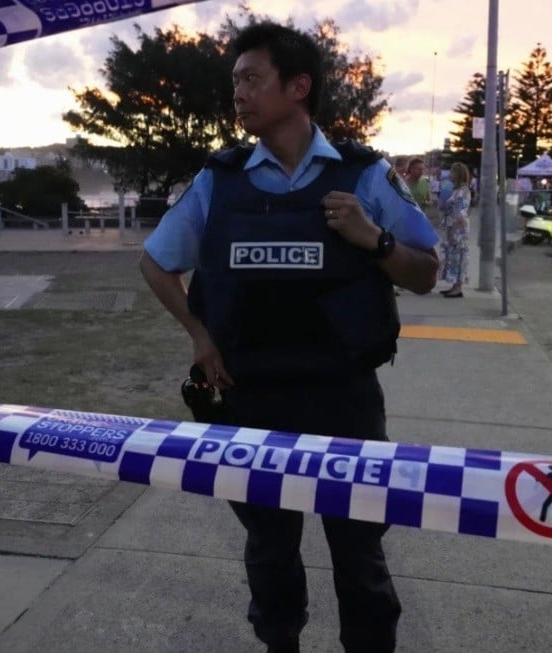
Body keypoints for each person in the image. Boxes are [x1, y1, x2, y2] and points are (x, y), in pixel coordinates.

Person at [138, 21, 439, 653]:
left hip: (343, 399)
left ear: (298, 87)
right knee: (270, 550)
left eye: (252, 78)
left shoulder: (364, 175)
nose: (238, 93)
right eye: (235, 81)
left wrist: (374, 239)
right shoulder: (219, 181)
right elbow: (156, 263)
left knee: (358, 552)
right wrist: (199, 335)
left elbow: (426, 273)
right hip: (251, 397)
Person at [438, 162, 472, 298]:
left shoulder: (462, 191)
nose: (450, 174)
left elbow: (459, 214)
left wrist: (452, 231)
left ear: (458, 174)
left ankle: (458, 288)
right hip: (454, 227)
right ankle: (454, 285)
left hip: (458, 229)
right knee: (453, 258)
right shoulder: (458, 190)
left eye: (452, 172)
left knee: (458, 257)